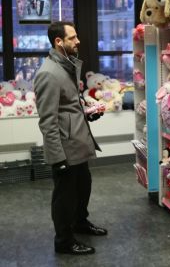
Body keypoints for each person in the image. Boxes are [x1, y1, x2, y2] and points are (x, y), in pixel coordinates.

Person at [34, 21, 107, 255]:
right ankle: (64, 241)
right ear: (59, 42)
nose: (77, 41)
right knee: (64, 197)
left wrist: (88, 113)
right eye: (72, 38)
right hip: (65, 149)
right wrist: (58, 158)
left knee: (83, 186)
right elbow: (48, 120)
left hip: (78, 142)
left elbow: (69, 106)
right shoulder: (48, 73)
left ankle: (80, 222)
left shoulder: (66, 66)